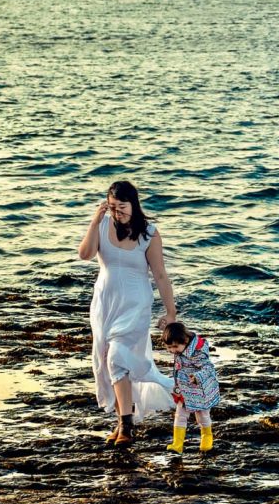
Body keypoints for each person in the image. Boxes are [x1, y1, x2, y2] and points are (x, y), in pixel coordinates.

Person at [78, 180, 177, 447]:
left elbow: (160, 275)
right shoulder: (101, 224)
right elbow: (85, 254)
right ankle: (123, 420)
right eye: (112, 207)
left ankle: (126, 426)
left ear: (133, 204)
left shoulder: (149, 234)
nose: (117, 212)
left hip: (136, 305)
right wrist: (94, 220)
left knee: (117, 358)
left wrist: (171, 314)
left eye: (121, 207)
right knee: (107, 360)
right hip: (105, 303)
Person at [162, 321, 220, 454]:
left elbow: (208, 368)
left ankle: (207, 440)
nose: (172, 350)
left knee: (202, 416)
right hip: (184, 390)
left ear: (186, 340)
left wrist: (197, 377)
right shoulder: (181, 350)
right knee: (180, 415)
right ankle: (177, 444)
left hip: (200, 391)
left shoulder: (197, 353)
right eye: (169, 347)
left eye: (175, 347)